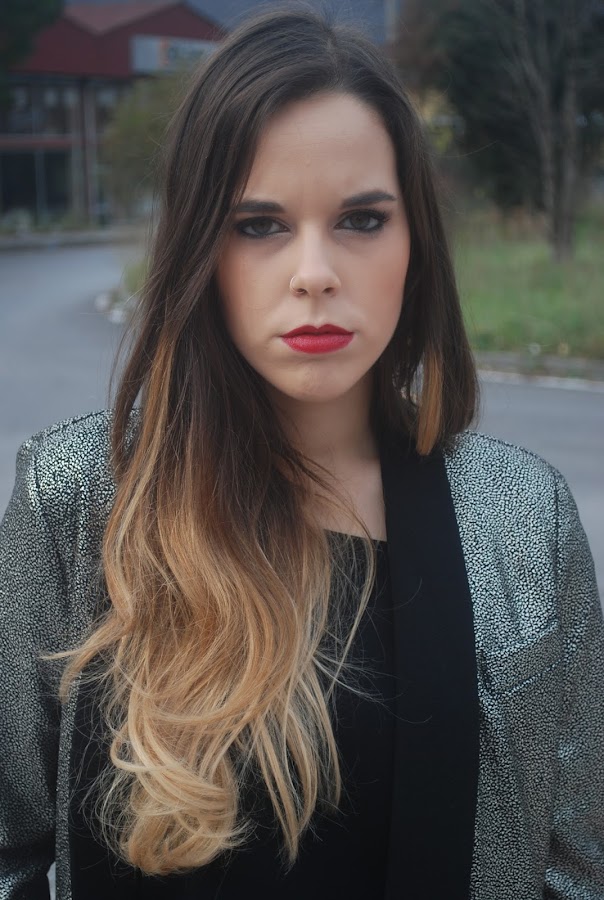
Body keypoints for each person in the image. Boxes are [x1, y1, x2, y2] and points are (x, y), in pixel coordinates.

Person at [1, 6, 603, 900]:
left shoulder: (525, 519)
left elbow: (576, 867)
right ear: (199, 249)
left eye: (361, 219)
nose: (314, 272)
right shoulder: (72, 500)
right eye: (258, 224)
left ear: (415, 242)